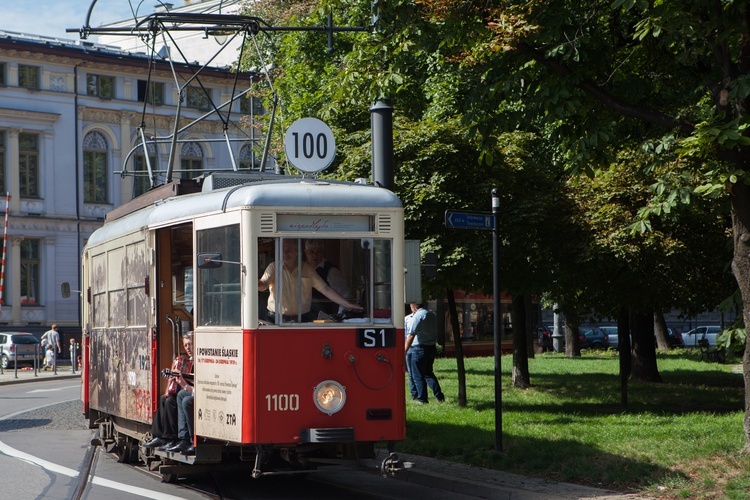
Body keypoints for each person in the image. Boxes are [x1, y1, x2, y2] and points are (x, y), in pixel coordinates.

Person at [258, 239, 362, 323]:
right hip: (275, 319)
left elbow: (325, 289)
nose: (285, 253)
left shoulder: (307, 269)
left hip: (301, 320)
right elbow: (263, 284)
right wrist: (255, 283)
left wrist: (348, 305)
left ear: (297, 252)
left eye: (289, 250)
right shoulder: (273, 267)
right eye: (282, 250)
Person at [143, 332, 194, 451]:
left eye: (191, 344)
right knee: (163, 398)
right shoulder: (187, 361)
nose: (188, 348)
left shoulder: (197, 360)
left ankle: (171, 437)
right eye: (186, 345)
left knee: (172, 400)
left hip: (191, 391)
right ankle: (159, 436)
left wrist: (183, 383)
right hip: (187, 389)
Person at [404, 303, 445, 403]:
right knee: (428, 373)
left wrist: (403, 351)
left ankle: (422, 399)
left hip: (418, 348)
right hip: (431, 347)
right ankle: (439, 396)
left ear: (413, 306)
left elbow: (411, 335)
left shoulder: (417, 316)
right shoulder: (431, 314)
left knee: (417, 375)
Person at [304, 239, 354, 317]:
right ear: (305, 252)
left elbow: (346, 296)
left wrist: (340, 315)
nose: (314, 256)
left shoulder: (331, 271)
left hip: (321, 319)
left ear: (323, 252)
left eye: (318, 252)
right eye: (311, 252)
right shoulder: (301, 268)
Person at [405, 309, 418, 400]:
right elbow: (405, 334)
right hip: (410, 347)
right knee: (411, 373)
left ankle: (419, 394)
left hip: (418, 346)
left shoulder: (422, 316)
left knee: (417, 373)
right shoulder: (407, 319)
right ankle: (414, 393)